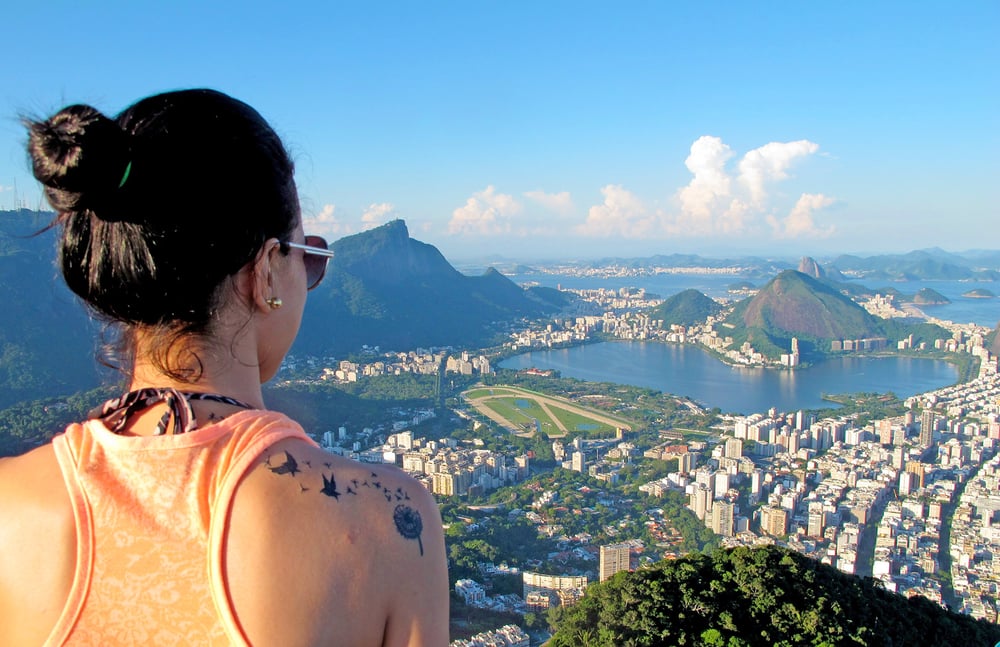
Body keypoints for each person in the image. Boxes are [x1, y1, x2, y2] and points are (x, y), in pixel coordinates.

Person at [0, 89, 449, 646]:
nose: (307, 278)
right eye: (307, 258)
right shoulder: (388, 522)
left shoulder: (10, 506)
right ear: (265, 271)